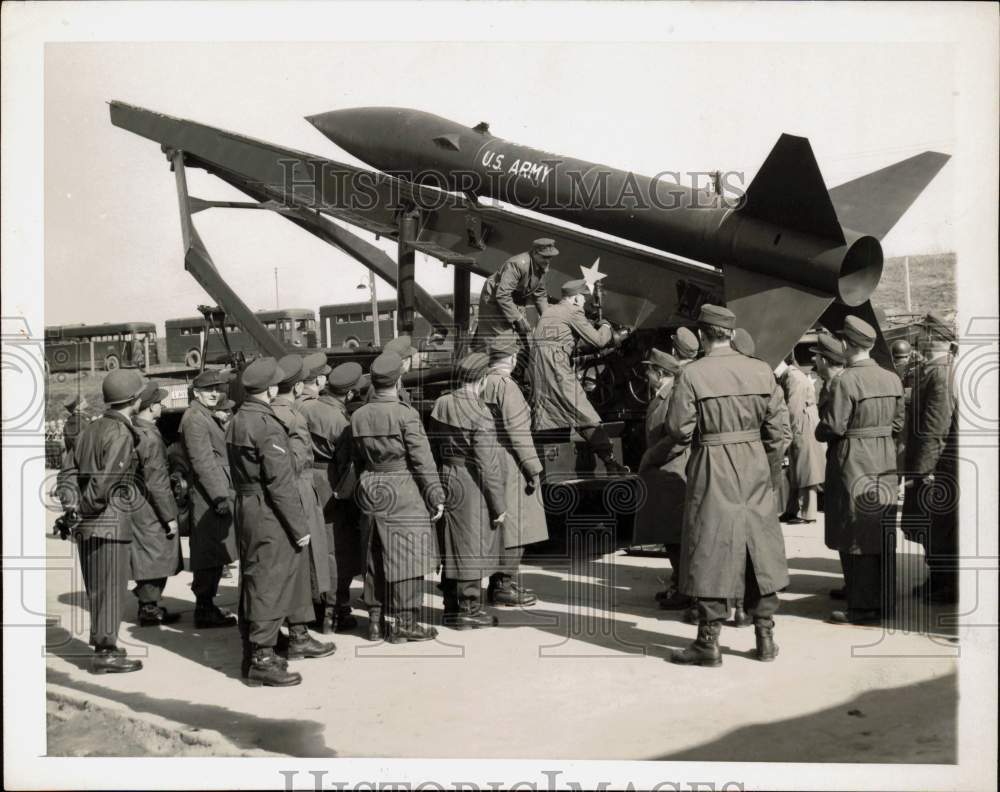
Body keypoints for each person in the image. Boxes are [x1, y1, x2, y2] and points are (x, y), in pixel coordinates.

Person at [667, 304, 790, 667]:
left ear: (703, 336)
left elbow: (679, 429)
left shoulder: (692, 375)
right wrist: (766, 473)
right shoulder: (761, 370)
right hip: (754, 465)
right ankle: (765, 636)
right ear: (732, 335)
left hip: (711, 464)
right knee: (759, 548)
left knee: (711, 546)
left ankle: (709, 643)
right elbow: (779, 433)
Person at [226, 357, 334, 687]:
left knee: (257, 575)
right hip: (268, 508)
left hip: (248, 503)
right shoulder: (268, 425)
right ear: (271, 388)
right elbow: (280, 482)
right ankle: (262, 658)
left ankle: (255, 650)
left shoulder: (237, 419)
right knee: (270, 579)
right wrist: (299, 528)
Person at [816, 316, 904, 626]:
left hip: (853, 458)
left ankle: (863, 607)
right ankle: (883, 600)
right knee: (880, 527)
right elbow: (898, 423)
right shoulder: (891, 378)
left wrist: (820, 430)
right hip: (885, 458)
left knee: (854, 529)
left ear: (847, 344)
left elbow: (833, 426)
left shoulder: (845, 381)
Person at [351, 351, 445, 643]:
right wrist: (435, 495)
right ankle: (405, 622)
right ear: (399, 379)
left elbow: (356, 458)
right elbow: (422, 460)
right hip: (402, 486)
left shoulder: (358, 415)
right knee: (408, 555)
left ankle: (376, 621)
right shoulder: (406, 414)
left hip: (370, 485)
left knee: (373, 553)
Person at [58, 369, 147, 674]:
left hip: (86, 526)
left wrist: (71, 506)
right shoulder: (120, 433)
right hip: (108, 523)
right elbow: (104, 484)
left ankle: (103, 643)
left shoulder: (88, 430)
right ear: (133, 400)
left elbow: (67, 473)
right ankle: (106, 653)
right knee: (110, 589)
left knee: (97, 588)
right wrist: (82, 508)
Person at [430, 352, 507, 629]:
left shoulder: (441, 403)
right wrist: (499, 505)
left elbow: (432, 445)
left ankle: (451, 605)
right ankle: (469, 608)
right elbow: (487, 465)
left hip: (446, 474)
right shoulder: (481, 411)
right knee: (471, 544)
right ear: (482, 379)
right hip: (471, 480)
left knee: (451, 541)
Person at [528, 278, 631, 474]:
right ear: (575, 299)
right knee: (583, 411)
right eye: (583, 299)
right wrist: (606, 325)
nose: (584, 303)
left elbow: (564, 343)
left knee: (556, 412)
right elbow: (599, 340)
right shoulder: (573, 311)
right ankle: (610, 462)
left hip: (539, 367)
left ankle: (542, 467)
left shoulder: (551, 310)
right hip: (555, 366)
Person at [481, 333, 548, 607]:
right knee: (518, 525)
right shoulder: (507, 387)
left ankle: (497, 583)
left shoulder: (484, 383)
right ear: (512, 357)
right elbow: (518, 432)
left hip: (492, 459)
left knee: (500, 523)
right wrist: (533, 468)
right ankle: (504, 586)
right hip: (511, 462)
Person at [299, 359, 365, 634]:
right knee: (338, 548)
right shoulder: (340, 421)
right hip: (331, 482)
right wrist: (345, 493)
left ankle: (315, 606)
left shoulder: (304, 406)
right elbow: (350, 464)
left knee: (314, 546)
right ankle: (335, 609)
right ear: (349, 394)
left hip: (306, 478)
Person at [271, 355, 334, 628]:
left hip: (274, 493)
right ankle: (303, 622)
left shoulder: (265, 411)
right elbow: (296, 463)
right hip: (299, 488)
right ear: (297, 386)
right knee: (311, 553)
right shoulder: (295, 416)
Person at [631, 349, 690, 610]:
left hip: (670, 472)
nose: (646, 374)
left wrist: (651, 457)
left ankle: (683, 589)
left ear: (661, 373)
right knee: (670, 534)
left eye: (649, 370)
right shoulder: (662, 396)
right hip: (663, 472)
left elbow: (678, 437)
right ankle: (679, 583)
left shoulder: (671, 397)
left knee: (675, 535)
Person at [180, 368, 238, 628]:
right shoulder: (195, 418)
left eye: (218, 389)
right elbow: (202, 461)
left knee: (214, 551)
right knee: (207, 552)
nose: (215, 393)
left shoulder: (203, 415)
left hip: (215, 491)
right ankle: (204, 609)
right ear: (196, 392)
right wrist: (219, 497)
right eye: (209, 390)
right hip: (210, 495)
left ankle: (207, 606)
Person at [902, 338, 958, 604]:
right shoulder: (934, 370)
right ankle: (937, 579)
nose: (920, 341)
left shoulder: (940, 373)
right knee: (931, 526)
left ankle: (948, 585)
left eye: (926, 335)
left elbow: (936, 427)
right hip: (931, 462)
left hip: (937, 465)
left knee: (941, 527)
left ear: (935, 341)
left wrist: (923, 470)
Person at [128, 381, 183, 626]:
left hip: (140, 504)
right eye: (159, 402)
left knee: (150, 554)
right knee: (157, 555)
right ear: (151, 408)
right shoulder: (148, 436)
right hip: (151, 508)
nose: (162, 405)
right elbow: (156, 481)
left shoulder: (137, 429)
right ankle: (148, 607)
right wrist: (169, 517)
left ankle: (148, 603)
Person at [809, 332, 849, 601]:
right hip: (845, 457)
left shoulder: (838, 386)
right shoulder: (831, 383)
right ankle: (852, 580)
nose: (814, 360)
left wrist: (820, 432)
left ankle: (856, 583)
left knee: (846, 521)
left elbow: (832, 425)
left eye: (817, 357)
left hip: (845, 458)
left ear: (825, 360)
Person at [473, 238, 557, 350]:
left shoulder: (541, 267)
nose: (548, 261)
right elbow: (502, 294)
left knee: (523, 341)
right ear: (535, 253)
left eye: (550, 257)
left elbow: (540, 295)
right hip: (493, 300)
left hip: (511, 301)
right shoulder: (517, 264)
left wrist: (549, 319)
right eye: (545, 257)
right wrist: (518, 318)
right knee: (500, 343)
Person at [779, 354, 826, 524]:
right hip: (802, 423)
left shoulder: (793, 378)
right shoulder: (790, 376)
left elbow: (793, 409)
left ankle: (807, 513)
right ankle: (793, 509)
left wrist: (785, 433)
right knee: (798, 468)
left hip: (802, 424)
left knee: (806, 468)